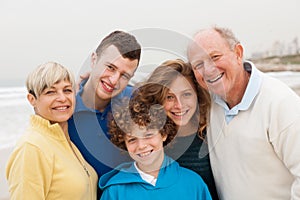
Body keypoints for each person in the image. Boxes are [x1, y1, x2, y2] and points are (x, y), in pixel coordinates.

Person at [187, 26, 300, 199]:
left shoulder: (280, 103)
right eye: (198, 64)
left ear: (238, 53)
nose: (208, 70)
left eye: (215, 57)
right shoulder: (209, 103)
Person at [5, 62, 98, 200]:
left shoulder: (65, 141)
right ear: (32, 99)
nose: (62, 98)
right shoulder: (32, 147)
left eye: (67, 90)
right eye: (50, 92)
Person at [68, 30, 141, 197]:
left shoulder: (135, 101)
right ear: (94, 60)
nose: (114, 80)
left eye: (124, 75)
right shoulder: (66, 110)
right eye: (110, 67)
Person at [98, 93, 212, 200]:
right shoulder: (114, 192)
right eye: (132, 139)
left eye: (148, 135)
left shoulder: (193, 184)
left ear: (163, 134)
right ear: (124, 144)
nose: (141, 146)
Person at [133, 59, 219, 199]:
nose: (179, 105)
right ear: (158, 99)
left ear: (198, 95)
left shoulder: (212, 132)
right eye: (169, 97)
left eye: (186, 94)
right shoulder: (150, 140)